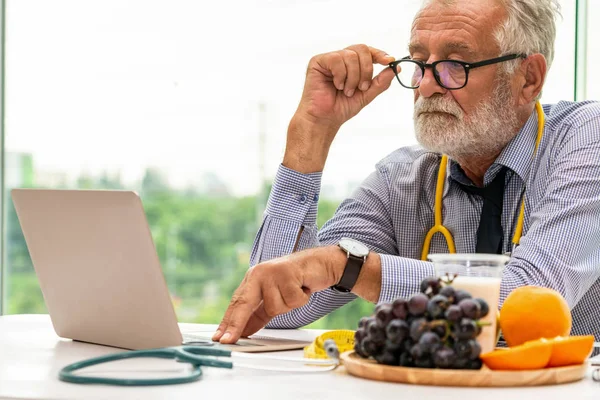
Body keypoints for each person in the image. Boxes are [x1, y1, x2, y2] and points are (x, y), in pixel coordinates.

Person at [213, 0, 600, 345]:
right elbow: (270, 307)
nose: (427, 85)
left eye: (454, 65)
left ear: (528, 78)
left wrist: (349, 266)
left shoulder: (585, 139)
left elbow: (524, 298)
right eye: (418, 63)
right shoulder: (403, 179)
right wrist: (312, 132)